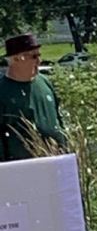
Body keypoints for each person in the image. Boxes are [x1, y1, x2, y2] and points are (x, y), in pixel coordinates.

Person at [0, 32, 66, 161]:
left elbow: (58, 119)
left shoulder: (44, 82)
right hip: (22, 168)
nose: (39, 61)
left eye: (39, 55)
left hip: (55, 161)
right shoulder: (3, 91)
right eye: (34, 56)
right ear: (16, 59)